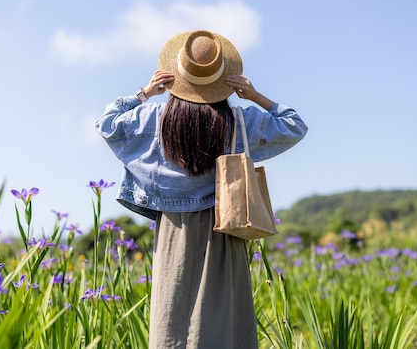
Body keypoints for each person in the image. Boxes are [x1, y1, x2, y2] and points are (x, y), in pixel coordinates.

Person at [95, 30, 307, 348]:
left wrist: (144, 92)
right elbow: (294, 125)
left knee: (172, 310)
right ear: (224, 79)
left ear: (178, 76)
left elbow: (107, 123)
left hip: (172, 227)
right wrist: (255, 96)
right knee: (221, 314)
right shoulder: (239, 120)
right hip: (223, 221)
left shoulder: (152, 118)